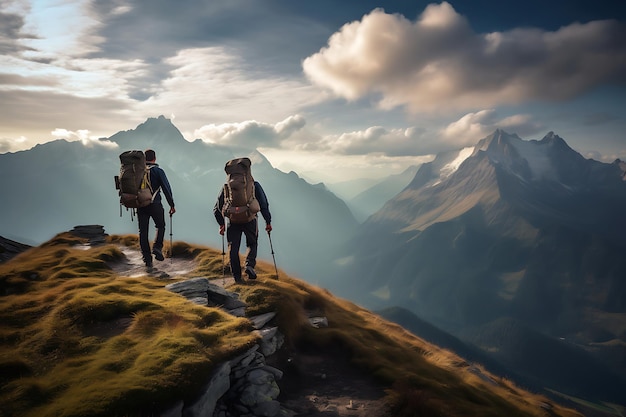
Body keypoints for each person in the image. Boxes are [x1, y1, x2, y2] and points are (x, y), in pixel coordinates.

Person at [214, 173, 272, 283]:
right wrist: (268, 222)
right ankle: (249, 265)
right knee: (252, 243)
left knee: (233, 248)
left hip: (233, 221)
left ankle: (237, 277)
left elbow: (217, 207)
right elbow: (264, 204)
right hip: (250, 219)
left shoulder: (227, 187)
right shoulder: (254, 185)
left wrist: (221, 224)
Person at [138, 149, 175, 271]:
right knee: (160, 225)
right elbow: (166, 188)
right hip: (155, 204)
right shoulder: (158, 171)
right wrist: (171, 205)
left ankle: (147, 260)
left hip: (140, 204)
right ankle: (157, 247)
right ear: (155, 158)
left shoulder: (138, 171)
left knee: (143, 231)